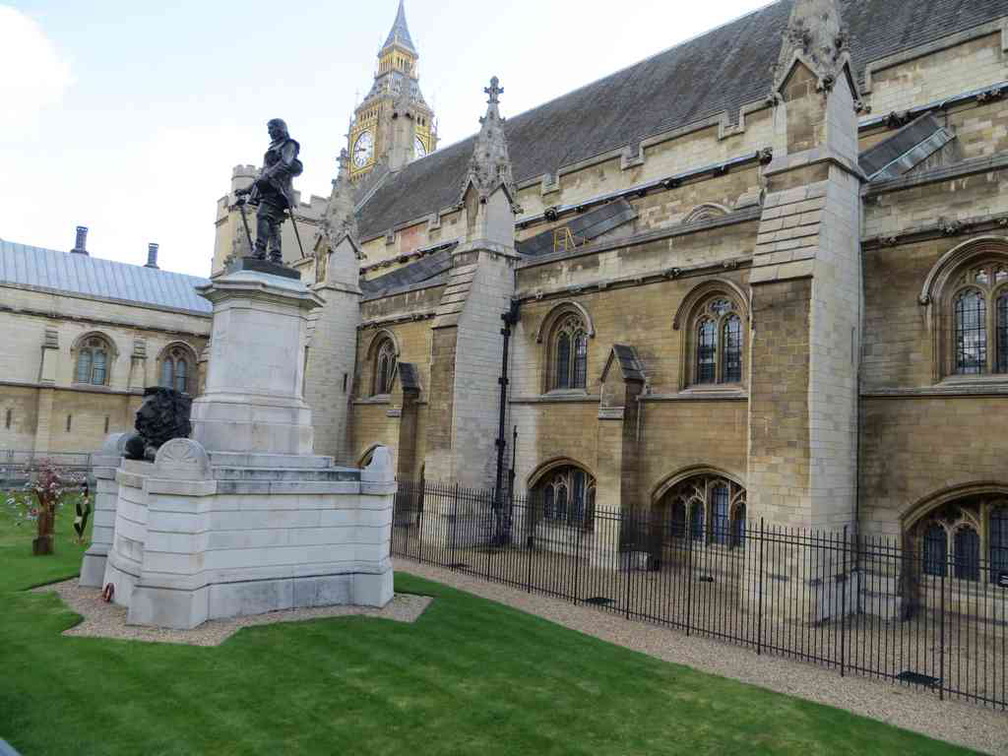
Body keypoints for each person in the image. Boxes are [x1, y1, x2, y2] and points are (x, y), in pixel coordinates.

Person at [237, 118, 302, 263]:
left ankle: (260, 251)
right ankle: (276, 255)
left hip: (279, 189)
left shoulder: (289, 144)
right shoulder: (274, 146)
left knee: (263, 215)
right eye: (268, 130)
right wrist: (246, 190)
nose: (270, 132)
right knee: (273, 223)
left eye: (272, 129)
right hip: (268, 187)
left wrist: (267, 176)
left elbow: (285, 163)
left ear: (280, 128)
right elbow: (263, 173)